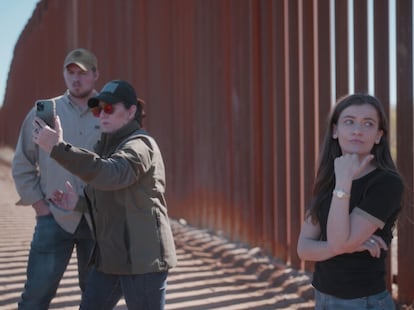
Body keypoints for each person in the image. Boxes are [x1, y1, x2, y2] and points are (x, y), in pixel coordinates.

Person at [33, 79, 177, 310]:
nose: (102, 114)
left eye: (109, 108)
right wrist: (78, 203)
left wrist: (58, 148)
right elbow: (113, 198)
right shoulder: (106, 147)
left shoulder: (141, 145)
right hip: (111, 258)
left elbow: (112, 174)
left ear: (131, 112)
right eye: (98, 109)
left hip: (142, 261)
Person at [12, 48, 101, 309]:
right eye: (70, 72)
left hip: (98, 220)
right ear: (63, 74)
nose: (76, 79)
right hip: (54, 218)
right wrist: (40, 207)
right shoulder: (45, 112)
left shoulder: (108, 111)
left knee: (97, 299)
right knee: (35, 297)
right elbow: (22, 163)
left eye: (83, 73)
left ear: (96, 75)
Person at [297, 93, 404, 309]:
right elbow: (304, 248)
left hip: (364, 302)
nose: (357, 130)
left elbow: (336, 242)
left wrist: (344, 182)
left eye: (368, 123)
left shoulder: (386, 183)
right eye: (349, 121)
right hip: (323, 298)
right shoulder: (329, 178)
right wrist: (351, 246)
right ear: (335, 131)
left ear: (378, 135)